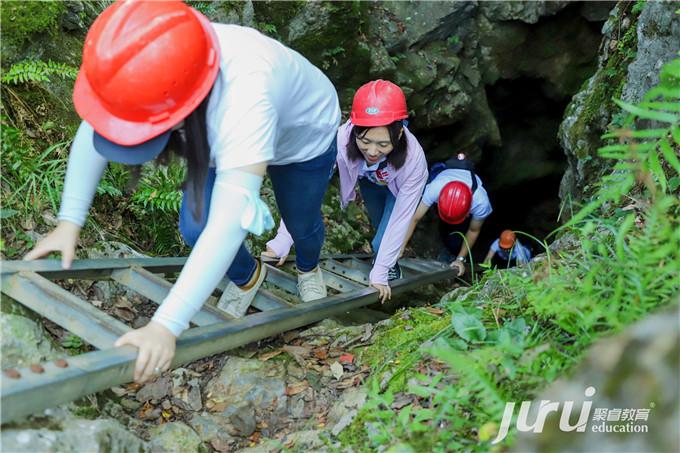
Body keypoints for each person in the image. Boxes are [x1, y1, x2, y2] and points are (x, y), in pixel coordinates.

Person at [23, 0, 341, 383]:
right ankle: (248, 276)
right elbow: (98, 127)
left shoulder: (246, 93)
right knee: (194, 230)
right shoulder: (154, 70)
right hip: (214, 135)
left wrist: (166, 325)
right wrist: (68, 222)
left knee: (301, 223)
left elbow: (230, 220)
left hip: (302, 141)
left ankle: (308, 266)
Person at [263, 80, 428, 303]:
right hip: (370, 182)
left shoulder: (414, 161)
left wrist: (380, 272)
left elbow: (402, 218)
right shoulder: (339, 140)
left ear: (398, 135)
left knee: (382, 244)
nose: (372, 151)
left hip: (396, 188)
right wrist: (284, 238)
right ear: (354, 128)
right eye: (365, 140)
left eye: (383, 145)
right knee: (379, 225)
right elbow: (308, 189)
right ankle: (384, 255)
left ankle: (388, 263)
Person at [401, 159, 492, 276]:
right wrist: (400, 247)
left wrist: (460, 259)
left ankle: (451, 249)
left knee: (455, 239)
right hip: (443, 180)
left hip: (463, 211)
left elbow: (473, 230)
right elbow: (415, 218)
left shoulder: (480, 202)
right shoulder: (434, 188)